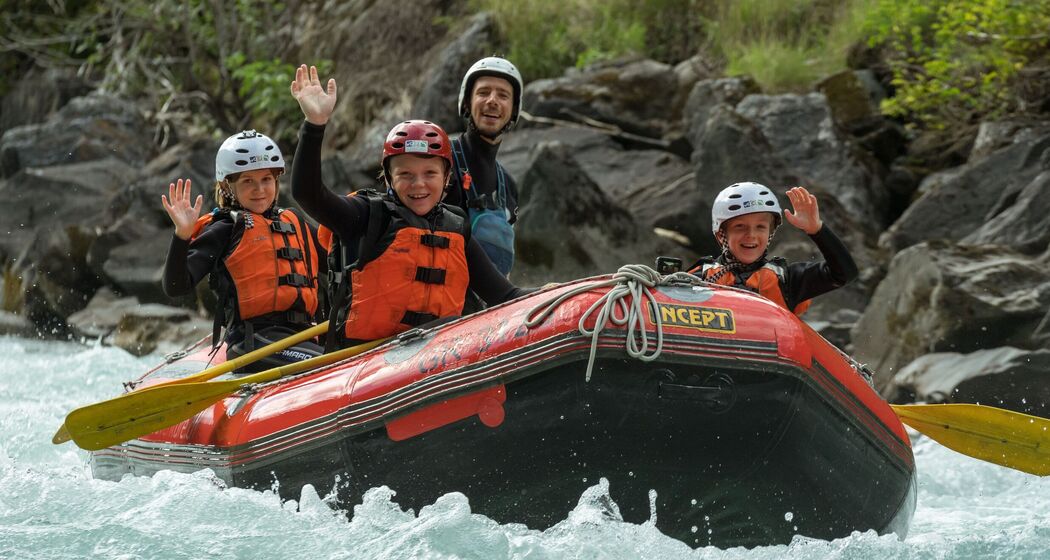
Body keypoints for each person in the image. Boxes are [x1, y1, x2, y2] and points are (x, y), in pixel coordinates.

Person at [288, 64, 532, 347]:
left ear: (446, 178)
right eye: (406, 174)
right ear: (389, 177)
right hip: (365, 363)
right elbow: (307, 193)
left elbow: (504, 295)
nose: (419, 185)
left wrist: (566, 293)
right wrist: (314, 125)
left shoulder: (456, 228)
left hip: (434, 357)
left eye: (430, 174)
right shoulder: (366, 216)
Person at [161, 130, 326, 371]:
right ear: (228, 186)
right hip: (254, 344)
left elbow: (338, 265)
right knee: (329, 362)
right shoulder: (226, 228)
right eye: (248, 180)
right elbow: (176, 286)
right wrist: (182, 235)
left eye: (266, 179)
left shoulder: (295, 222)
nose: (259, 189)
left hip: (304, 336)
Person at [688, 182, 858, 315]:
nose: (751, 235)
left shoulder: (787, 281)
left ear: (770, 233)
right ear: (721, 235)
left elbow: (845, 274)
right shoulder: (699, 277)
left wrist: (817, 230)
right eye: (740, 226)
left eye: (760, 227)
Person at [443, 56, 524, 277]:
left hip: (489, 307)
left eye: (503, 95)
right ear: (467, 102)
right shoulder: (440, 161)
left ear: (513, 108)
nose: (492, 101)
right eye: (483, 92)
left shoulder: (508, 185)